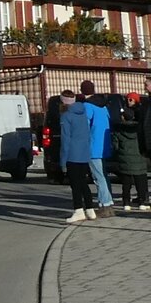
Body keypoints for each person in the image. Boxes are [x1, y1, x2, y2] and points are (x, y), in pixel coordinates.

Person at [58, 90, 96, 223]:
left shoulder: (66, 116)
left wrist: (63, 161)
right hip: (84, 153)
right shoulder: (83, 113)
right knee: (83, 182)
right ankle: (90, 209)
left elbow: (66, 140)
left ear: (63, 102)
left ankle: (78, 209)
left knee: (75, 184)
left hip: (72, 154)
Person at [79, 80, 115, 218]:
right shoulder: (103, 106)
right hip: (104, 145)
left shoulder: (87, 106)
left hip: (93, 146)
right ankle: (109, 202)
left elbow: (85, 126)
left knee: (98, 177)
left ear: (82, 91)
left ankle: (105, 204)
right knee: (104, 175)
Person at [114, 101, 149, 211]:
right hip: (140, 160)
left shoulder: (119, 131)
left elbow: (115, 146)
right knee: (141, 183)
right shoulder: (139, 128)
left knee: (126, 185)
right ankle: (142, 202)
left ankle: (126, 203)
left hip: (125, 162)